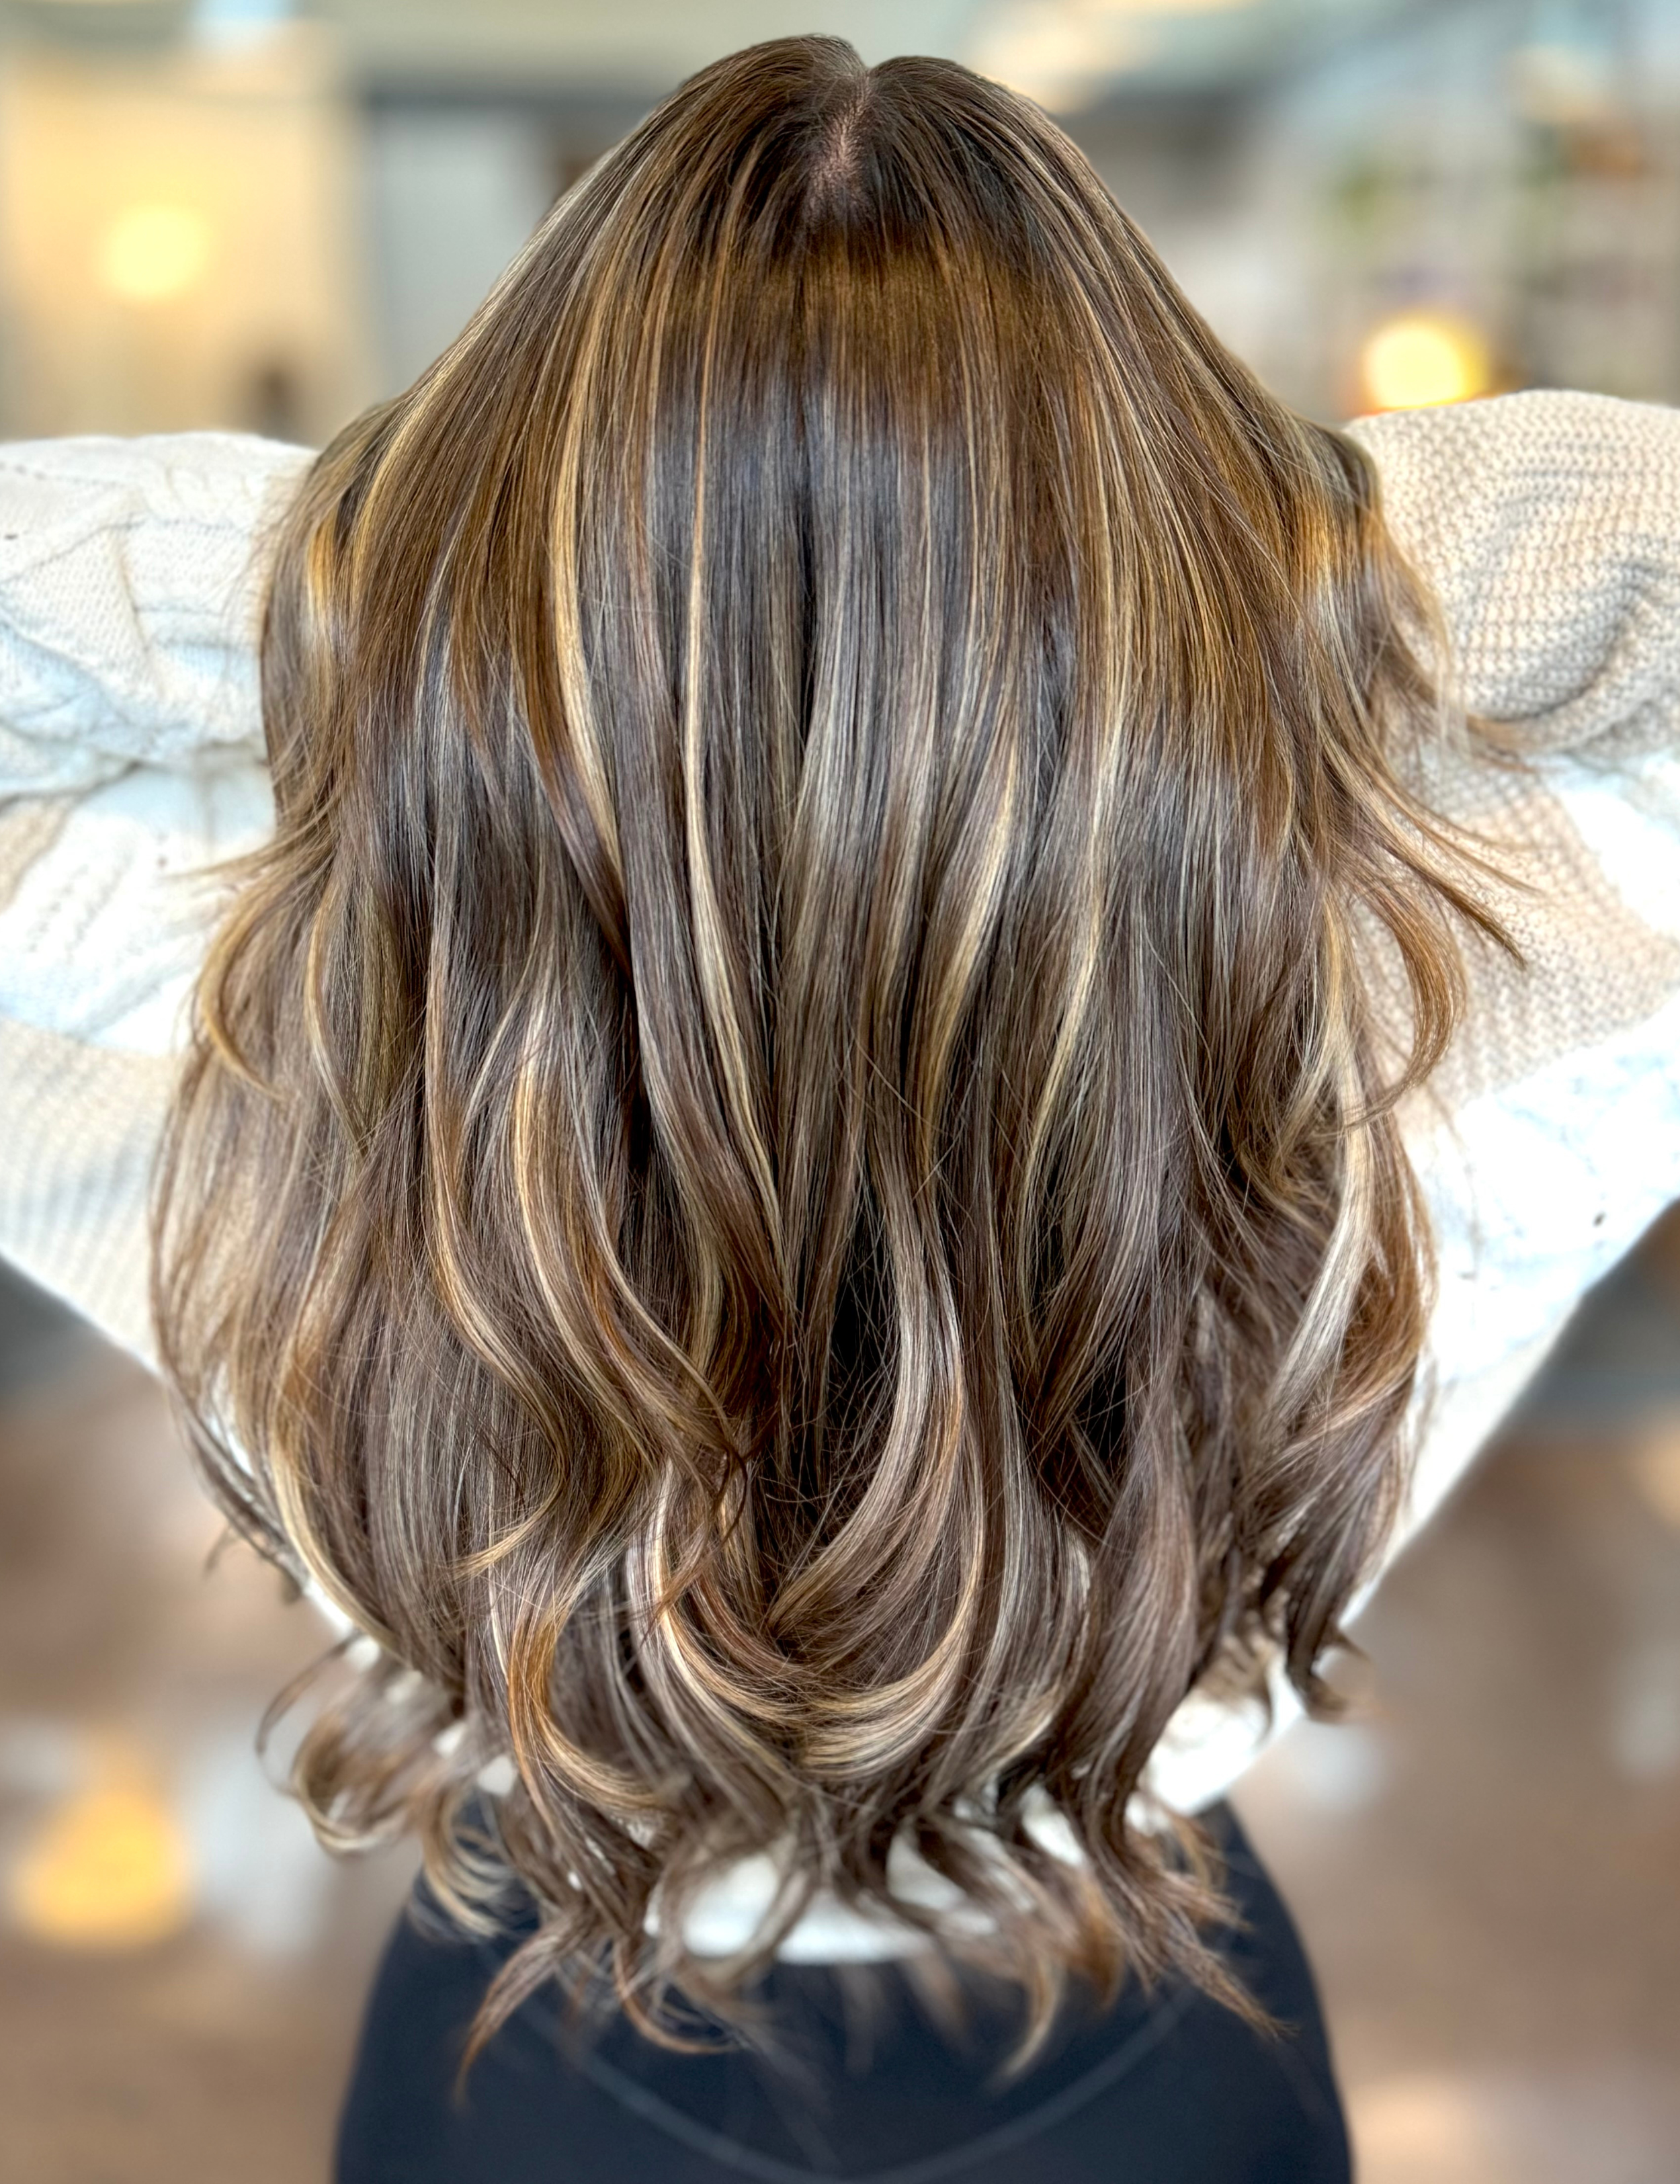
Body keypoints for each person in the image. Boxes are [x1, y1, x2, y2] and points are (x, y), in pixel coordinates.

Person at [1, 34, 1678, 2184]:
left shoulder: (253, 1039)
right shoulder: (1413, 1017)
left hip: (532, 2065)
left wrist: (401, 583)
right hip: (1141, 2046)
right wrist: (1271, 580)